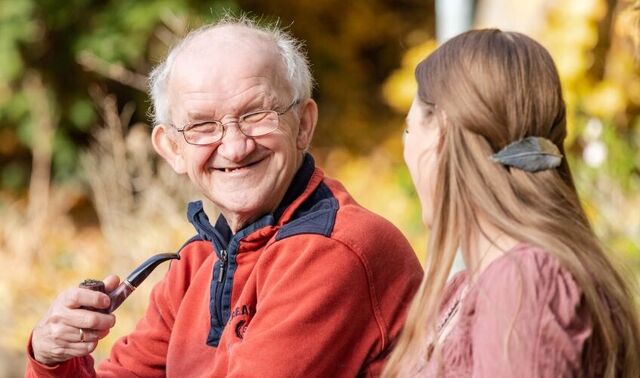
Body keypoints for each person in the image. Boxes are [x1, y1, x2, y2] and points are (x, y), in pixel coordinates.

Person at [26, 16, 423, 377]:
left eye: (256, 115)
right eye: (202, 125)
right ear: (172, 149)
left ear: (303, 125)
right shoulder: (198, 260)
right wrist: (52, 360)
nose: (234, 147)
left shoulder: (336, 250)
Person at [383, 29, 640, 377]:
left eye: (409, 129)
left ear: (442, 135)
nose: (406, 149)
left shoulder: (524, 286)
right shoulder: (478, 286)